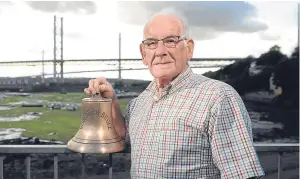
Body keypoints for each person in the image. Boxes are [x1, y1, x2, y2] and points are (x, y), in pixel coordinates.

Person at [84, 9, 265, 179]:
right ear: (143, 53)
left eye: (171, 41)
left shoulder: (218, 97)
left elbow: (241, 173)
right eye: (152, 43)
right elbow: (126, 139)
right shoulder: (139, 102)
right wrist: (111, 100)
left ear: (189, 49)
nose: (161, 51)